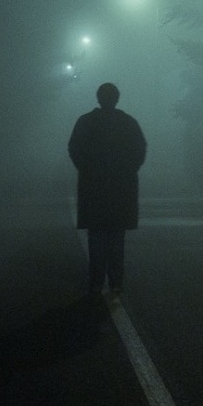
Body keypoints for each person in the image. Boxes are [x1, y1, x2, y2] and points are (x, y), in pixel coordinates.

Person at [68, 82, 147, 296]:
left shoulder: (85, 122)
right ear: (117, 98)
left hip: (93, 187)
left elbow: (74, 149)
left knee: (96, 236)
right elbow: (140, 150)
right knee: (116, 237)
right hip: (122, 189)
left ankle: (96, 282)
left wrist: (87, 169)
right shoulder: (128, 123)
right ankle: (116, 283)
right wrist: (129, 170)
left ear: (98, 98)